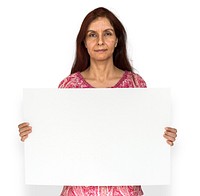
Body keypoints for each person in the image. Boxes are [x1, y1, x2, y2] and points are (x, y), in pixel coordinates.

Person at [18, 7, 177, 196]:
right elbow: (59, 137)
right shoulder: (70, 86)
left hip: (125, 190)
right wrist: (34, 135)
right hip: (78, 191)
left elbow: (142, 136)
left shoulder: (135, 84)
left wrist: (163, 137)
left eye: (107, 34)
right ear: (84, 42)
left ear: (117, 39)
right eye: (92, 35)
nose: (100, 41)